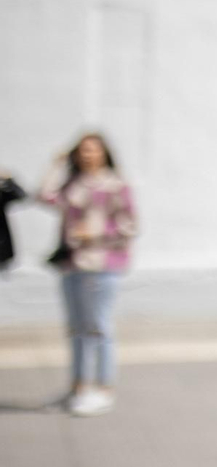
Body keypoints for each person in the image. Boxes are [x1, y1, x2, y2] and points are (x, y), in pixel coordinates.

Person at [39, 133, 138, 417]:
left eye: (93, 150)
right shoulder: (74, 183)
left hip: (102, 265)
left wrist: (94, 233)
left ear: (104, 153)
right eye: (82, 151)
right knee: (77, 329)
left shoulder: (116, 185)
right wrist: (55, 165)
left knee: (99, 328)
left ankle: (104, 388)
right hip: (72, 264)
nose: (87, 156)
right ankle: (79, 386)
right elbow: (45, 196)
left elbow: (129, 226)